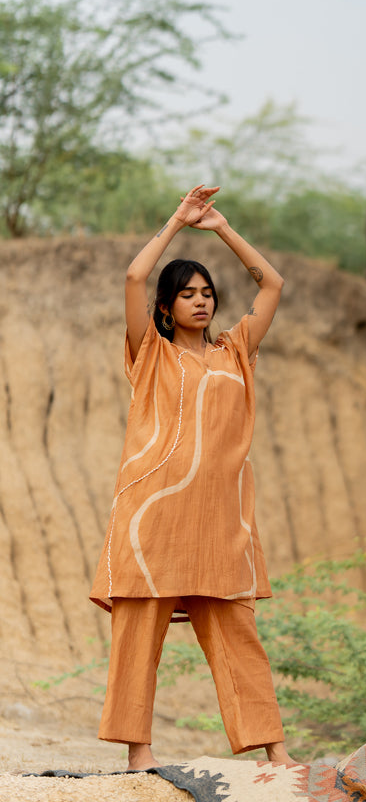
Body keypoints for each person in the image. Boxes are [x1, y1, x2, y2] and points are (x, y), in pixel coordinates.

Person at [90, 185, 293, 770]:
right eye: (187, 294)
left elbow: (273, 285)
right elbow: (132, 278)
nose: (200, 302)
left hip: (220, 523)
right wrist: (179, 221)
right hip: (152, 517)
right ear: (166, 307)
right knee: (137, 637)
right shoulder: (149, 351)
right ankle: (139, 755)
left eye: (207, 293)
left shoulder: (236, 353)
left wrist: (222, 230)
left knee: (239, 638)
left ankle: (275, 752)